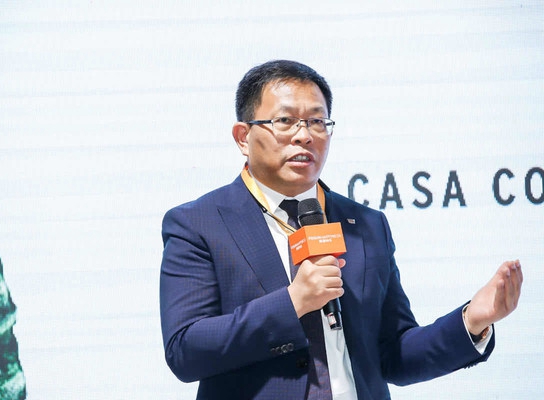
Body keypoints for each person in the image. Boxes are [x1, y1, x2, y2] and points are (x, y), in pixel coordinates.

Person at [159, 60, 523, 400]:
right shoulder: (199, 223)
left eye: (317, 122)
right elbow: (185, 351)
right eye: (285, 121)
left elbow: (393, 354)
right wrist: (293, 302)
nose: (304, 136)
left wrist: (471, 322)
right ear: (243, 137)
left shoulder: (366, 224)